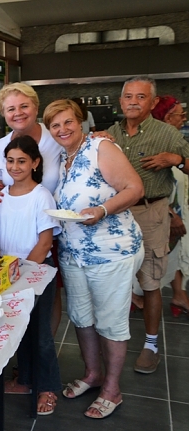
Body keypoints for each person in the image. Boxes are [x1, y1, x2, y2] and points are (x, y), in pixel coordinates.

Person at [44, 99, 144, 419]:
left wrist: (102, 210)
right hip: (73, 252)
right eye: (55, 125)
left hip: (110, 250)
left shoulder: (100, 146)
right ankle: (93, 374)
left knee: (110, 322)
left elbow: (134, 188)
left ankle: (112, 390)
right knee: (82, 317)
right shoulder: (62, 157)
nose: (62, 129)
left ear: (81, 122)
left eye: (68, 122)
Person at [106, 76, 189, 374]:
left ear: (153, 103)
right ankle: (111, 340)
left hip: (151, 213)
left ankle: (151, 344)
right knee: (116, 280)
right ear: (121, 101)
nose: (132, 102)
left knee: (150, 281)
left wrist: (176, 158)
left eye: (140, 97)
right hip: (117, 215)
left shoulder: (166, 134)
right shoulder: (111, 134)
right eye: (128, 96)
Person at [0, 135, 62, 416]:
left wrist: (23, 275)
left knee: (40, 336)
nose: (15, 167)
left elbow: (44, 243)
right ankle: (26, 379)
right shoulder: (1, 194)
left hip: (35, 274)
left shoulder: (41, 195)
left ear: (35, 163)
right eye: (10, 161)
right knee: (21, 332)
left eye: (22, 161)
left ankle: (48, 388)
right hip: (8, 274)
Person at [0, 82, 64, 336]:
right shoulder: (1, 145)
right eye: (10, 109)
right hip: (14, 239)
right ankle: (21, 358)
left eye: (23, 106)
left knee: (47, 297)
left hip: (50, 232)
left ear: (36, 107)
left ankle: (43, 352)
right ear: (3, 114)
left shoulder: (57, 138)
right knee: (14, 302)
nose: (17, 113)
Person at [145, 95, 189, 317]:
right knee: (156, 261)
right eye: (180, 115)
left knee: (174, 254)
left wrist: (178, 159)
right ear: (166, 117)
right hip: (161, 215)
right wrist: (172, 216)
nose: (183, 118)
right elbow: (147, 188)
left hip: (175, 211)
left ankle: (179, 294)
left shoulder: (174, 144)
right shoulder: (154, 146)